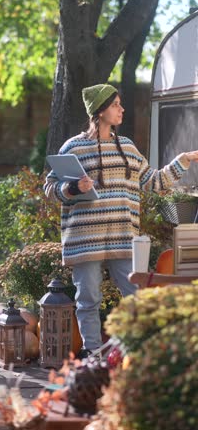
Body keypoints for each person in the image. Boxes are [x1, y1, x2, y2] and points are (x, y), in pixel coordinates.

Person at [44, 83, 198, 358]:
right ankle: (92, 354)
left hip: (123, 235)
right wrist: (72, 189)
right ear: (100, 111)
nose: (122, 109)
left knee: (136, 295)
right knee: (88, 299)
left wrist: (182, 161)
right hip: (85, 239)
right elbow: (50, 189)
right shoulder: (73, 148)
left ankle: (134, 353)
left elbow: (154, 181)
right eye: (116, 104)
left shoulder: (127, 146)